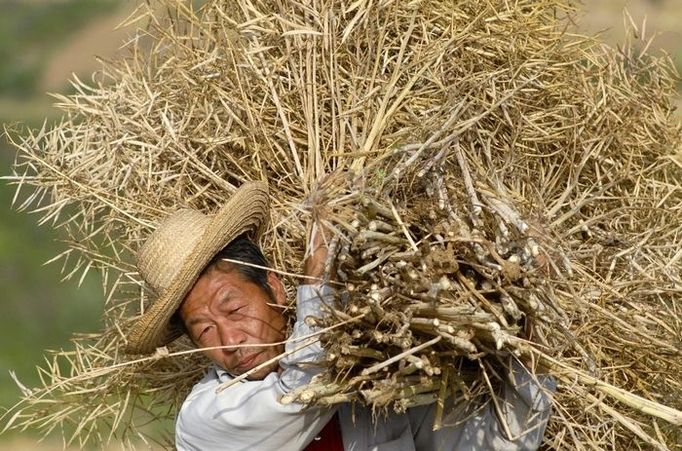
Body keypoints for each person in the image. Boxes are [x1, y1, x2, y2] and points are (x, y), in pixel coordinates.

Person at [126, 182, 555, 450]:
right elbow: (306, 389)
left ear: (274, 288)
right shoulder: (207, 424)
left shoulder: (376, 389)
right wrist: (318, 280)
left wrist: (525, 337)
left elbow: (491, 440)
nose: (230, 340)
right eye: (204, 331)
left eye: (234, 309)